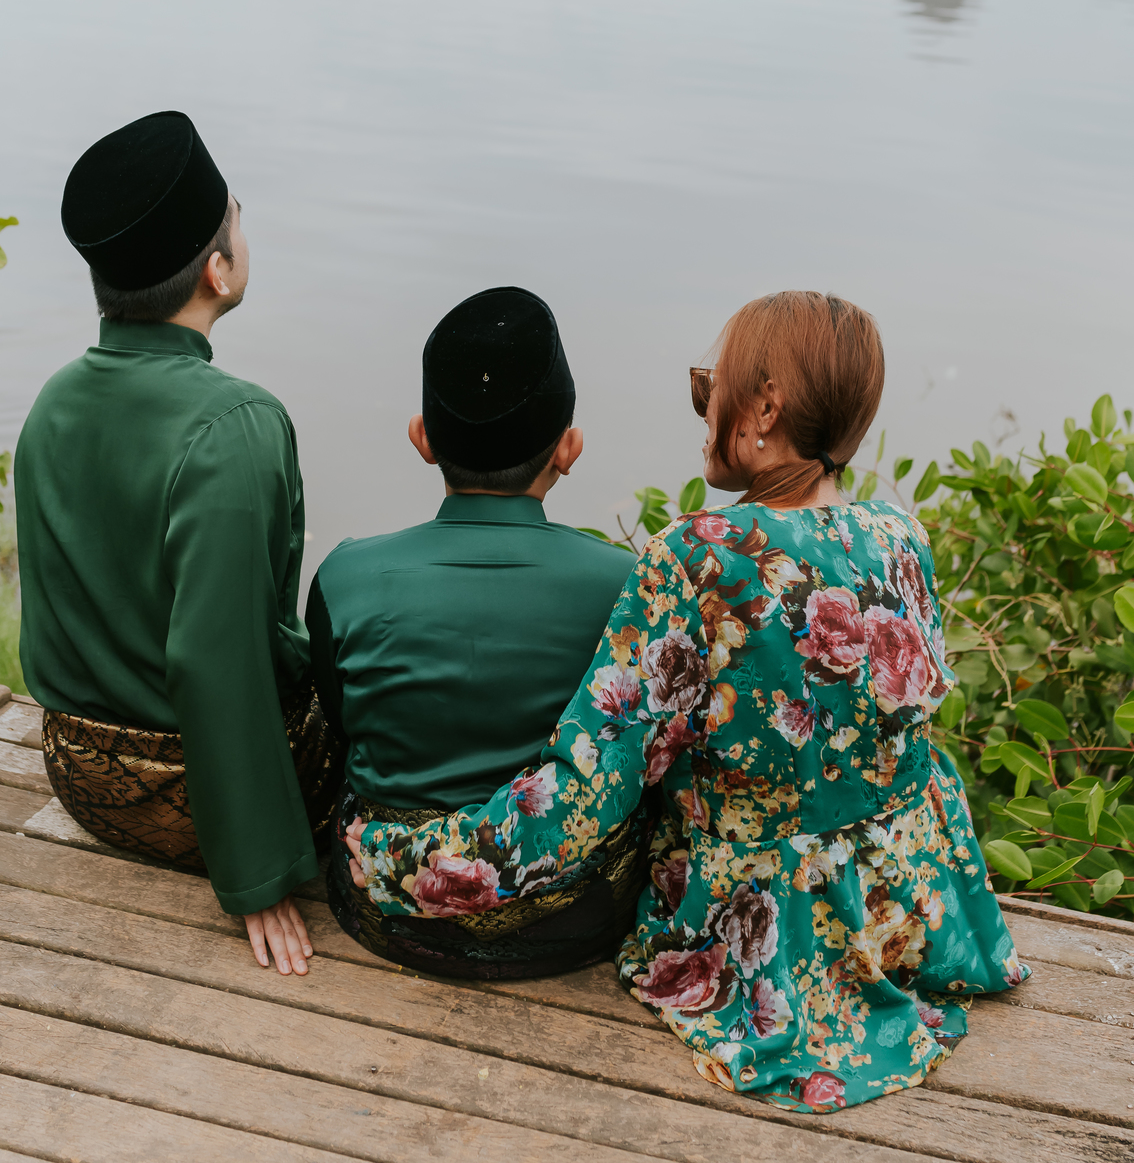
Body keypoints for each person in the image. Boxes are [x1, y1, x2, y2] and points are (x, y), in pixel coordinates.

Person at [346, 290, 1028, 1111]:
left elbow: (579, 801)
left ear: (765, 408)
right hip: (909, 908)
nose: (702, 414)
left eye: (710, 390)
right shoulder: (902, 536)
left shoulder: (704, 560)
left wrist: (403, 862)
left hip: (770, 943)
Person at [16, 110, 342, 977]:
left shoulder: (51, 403)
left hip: (81, 774)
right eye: (236, 216)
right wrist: (257, 871)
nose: (242, 225)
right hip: (183, 797)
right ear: (218, 269)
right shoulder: (236, 422)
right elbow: (215, 655)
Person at [308, 285, 640, 978]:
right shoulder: (626, 585)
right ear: (569, 449)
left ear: (422, 439)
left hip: (388, 911)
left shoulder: (345, 577)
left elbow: (341, 723)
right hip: (570, 916)